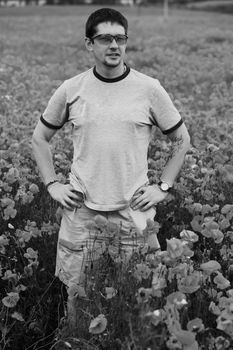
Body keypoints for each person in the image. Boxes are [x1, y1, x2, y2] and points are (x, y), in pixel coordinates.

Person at [32, 8, 190, 288]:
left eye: (120, 38)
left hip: (133, 212)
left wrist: (163, 187)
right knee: (77, 298)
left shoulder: (149, 88)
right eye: (105, 38)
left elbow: (182, 139)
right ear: (89, 44)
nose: (115, 45)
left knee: (139, 298)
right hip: (81, 214)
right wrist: (52, 185)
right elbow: (39, 138)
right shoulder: (71, 89)